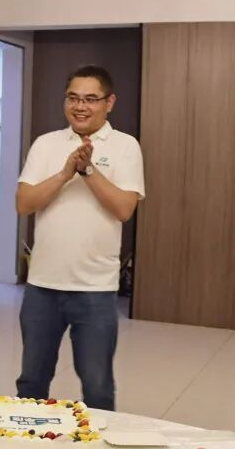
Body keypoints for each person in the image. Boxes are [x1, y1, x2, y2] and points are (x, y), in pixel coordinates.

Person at [14, 65, 145, 410]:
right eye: (73, 98)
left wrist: (87, 170)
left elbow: (124, 209)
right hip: (42, 287)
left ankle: (99, 444)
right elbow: (24, 203)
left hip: (95, 290)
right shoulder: (46, 144)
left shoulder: (125, 146)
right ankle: (30, 439)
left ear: (109, 102)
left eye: (90, 99)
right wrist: (65, 173)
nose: (80, 106)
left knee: (98, 387)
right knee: (31, 382)